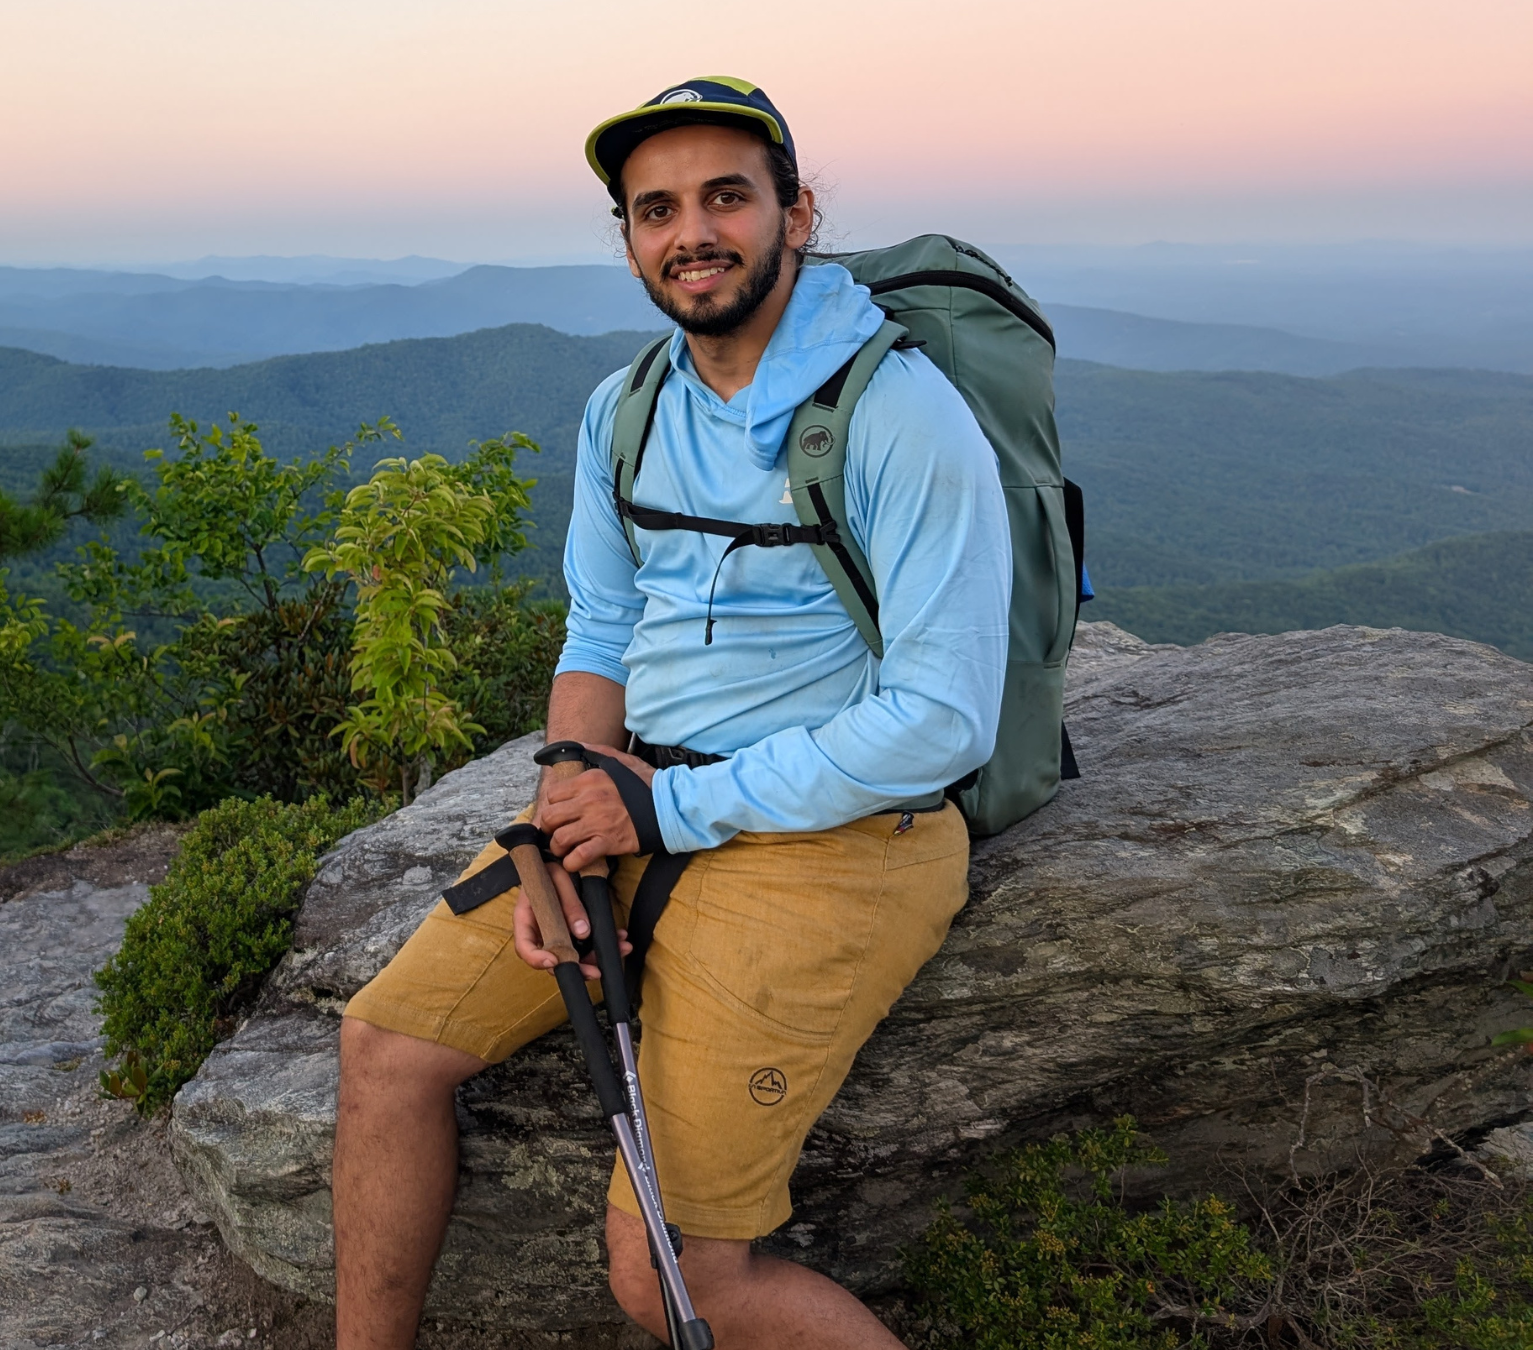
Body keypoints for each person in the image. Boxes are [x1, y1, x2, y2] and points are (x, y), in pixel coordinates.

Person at [329, 77, 1012, 1349]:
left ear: (796, 214)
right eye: (655, 210)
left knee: (681, 1279)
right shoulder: (626, 408)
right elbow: (600, 631)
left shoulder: (902, 415)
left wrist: (672, 805)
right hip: (642, 796)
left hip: (845, 833)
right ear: (631, 240)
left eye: (725, 197)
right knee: (385, 1051)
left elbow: (943, 718)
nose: (690, 231)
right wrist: (568, 821)